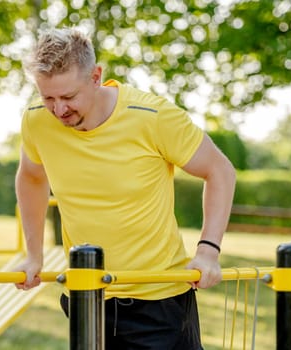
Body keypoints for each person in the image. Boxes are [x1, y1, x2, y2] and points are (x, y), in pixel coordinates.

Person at [14, 27, 236, 349]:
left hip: (159, 303)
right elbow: (32, 177)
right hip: (86, 296)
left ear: (96, 77)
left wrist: (208, 251)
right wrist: (33, 255)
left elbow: (220, 171)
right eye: (48, 97)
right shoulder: (36, 120)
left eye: (69, 97)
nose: (59, 110)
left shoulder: (152, 116)